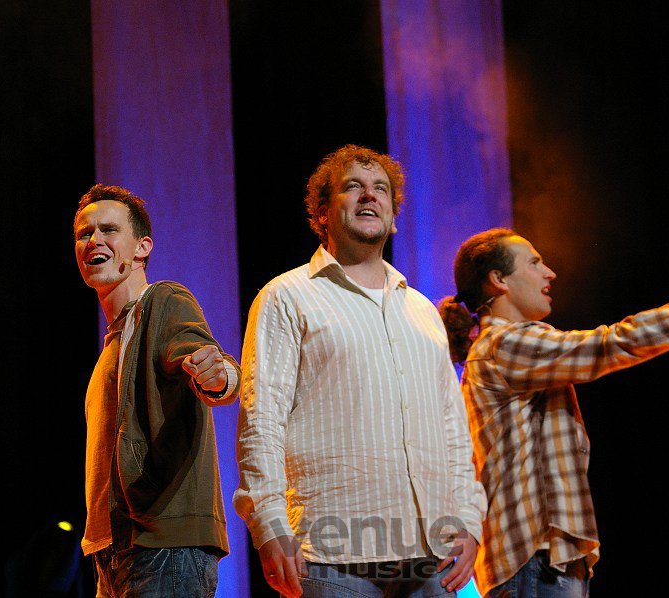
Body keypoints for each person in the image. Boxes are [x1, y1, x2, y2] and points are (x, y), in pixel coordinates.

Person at [437, 228, 669, 597]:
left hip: (544, 561)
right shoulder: (505, 344)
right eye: (534, 263)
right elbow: (615, 341)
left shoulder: (503, 346)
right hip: (535, 562)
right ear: (498, 279)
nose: (549, 272)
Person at [234, 145, 486, 597]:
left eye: (381, 189)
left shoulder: (422, 310)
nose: (370, 195)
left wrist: (469, 518)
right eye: (353, 187)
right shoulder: (287, 296)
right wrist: (269, 523)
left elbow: (453, 428)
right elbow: (261, 417)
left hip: (432, 554)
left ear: (393, 216)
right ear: (322, 213)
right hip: (332, 554)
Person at [73, 184, 240, 597]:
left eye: (109, 230)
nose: (94, 240)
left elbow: (212, 363)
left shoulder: (163, 301)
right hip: (114, 549)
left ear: (142, 248)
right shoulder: (113, 345)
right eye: (84, 233)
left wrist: (218, 376)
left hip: (163, 546)